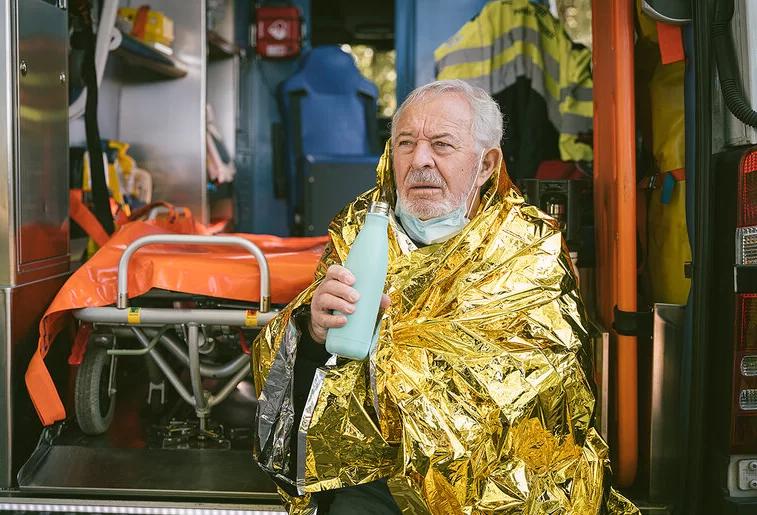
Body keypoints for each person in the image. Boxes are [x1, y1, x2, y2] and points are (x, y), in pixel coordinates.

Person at [252, 80, 638, 515]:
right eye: (405, 143)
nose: (419, 160)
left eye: (442, 144)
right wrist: (313, 328)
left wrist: (401, 355)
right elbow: (311, 376)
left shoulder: (528, 249)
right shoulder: (359, 230)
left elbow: (543, 393)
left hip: (499, 490)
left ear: (487, 163)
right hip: (373, 482)